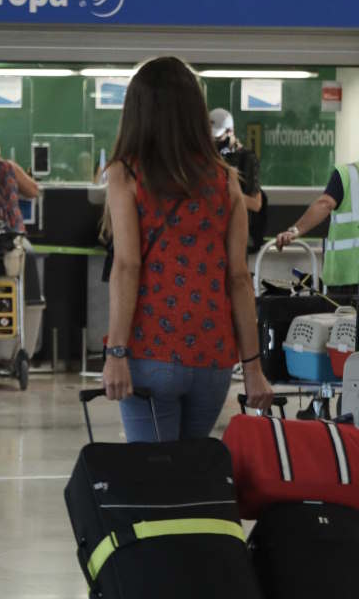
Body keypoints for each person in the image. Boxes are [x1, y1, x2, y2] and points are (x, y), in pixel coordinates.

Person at [101, 57, 274, 440]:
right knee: (191, 478)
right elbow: (239, 278)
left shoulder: (126, 173)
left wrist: (115, 354)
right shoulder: (225, 179)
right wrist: (252, 367)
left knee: (156, 482)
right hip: (212, 358)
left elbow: (127, 266)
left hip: (151, 351)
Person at [275, 127, 359, 295]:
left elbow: (325, 204)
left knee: (343, 321)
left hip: (347, 270)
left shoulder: (347, 173)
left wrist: (294, 231)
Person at [210, 109, 265, 252]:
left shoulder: (246, 159)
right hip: (212, 230)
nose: (215, 143)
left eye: (218, 138)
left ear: (230, 131)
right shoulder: (208, 158)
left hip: (236, 231)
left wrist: (226, 193)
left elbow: (255, 203)